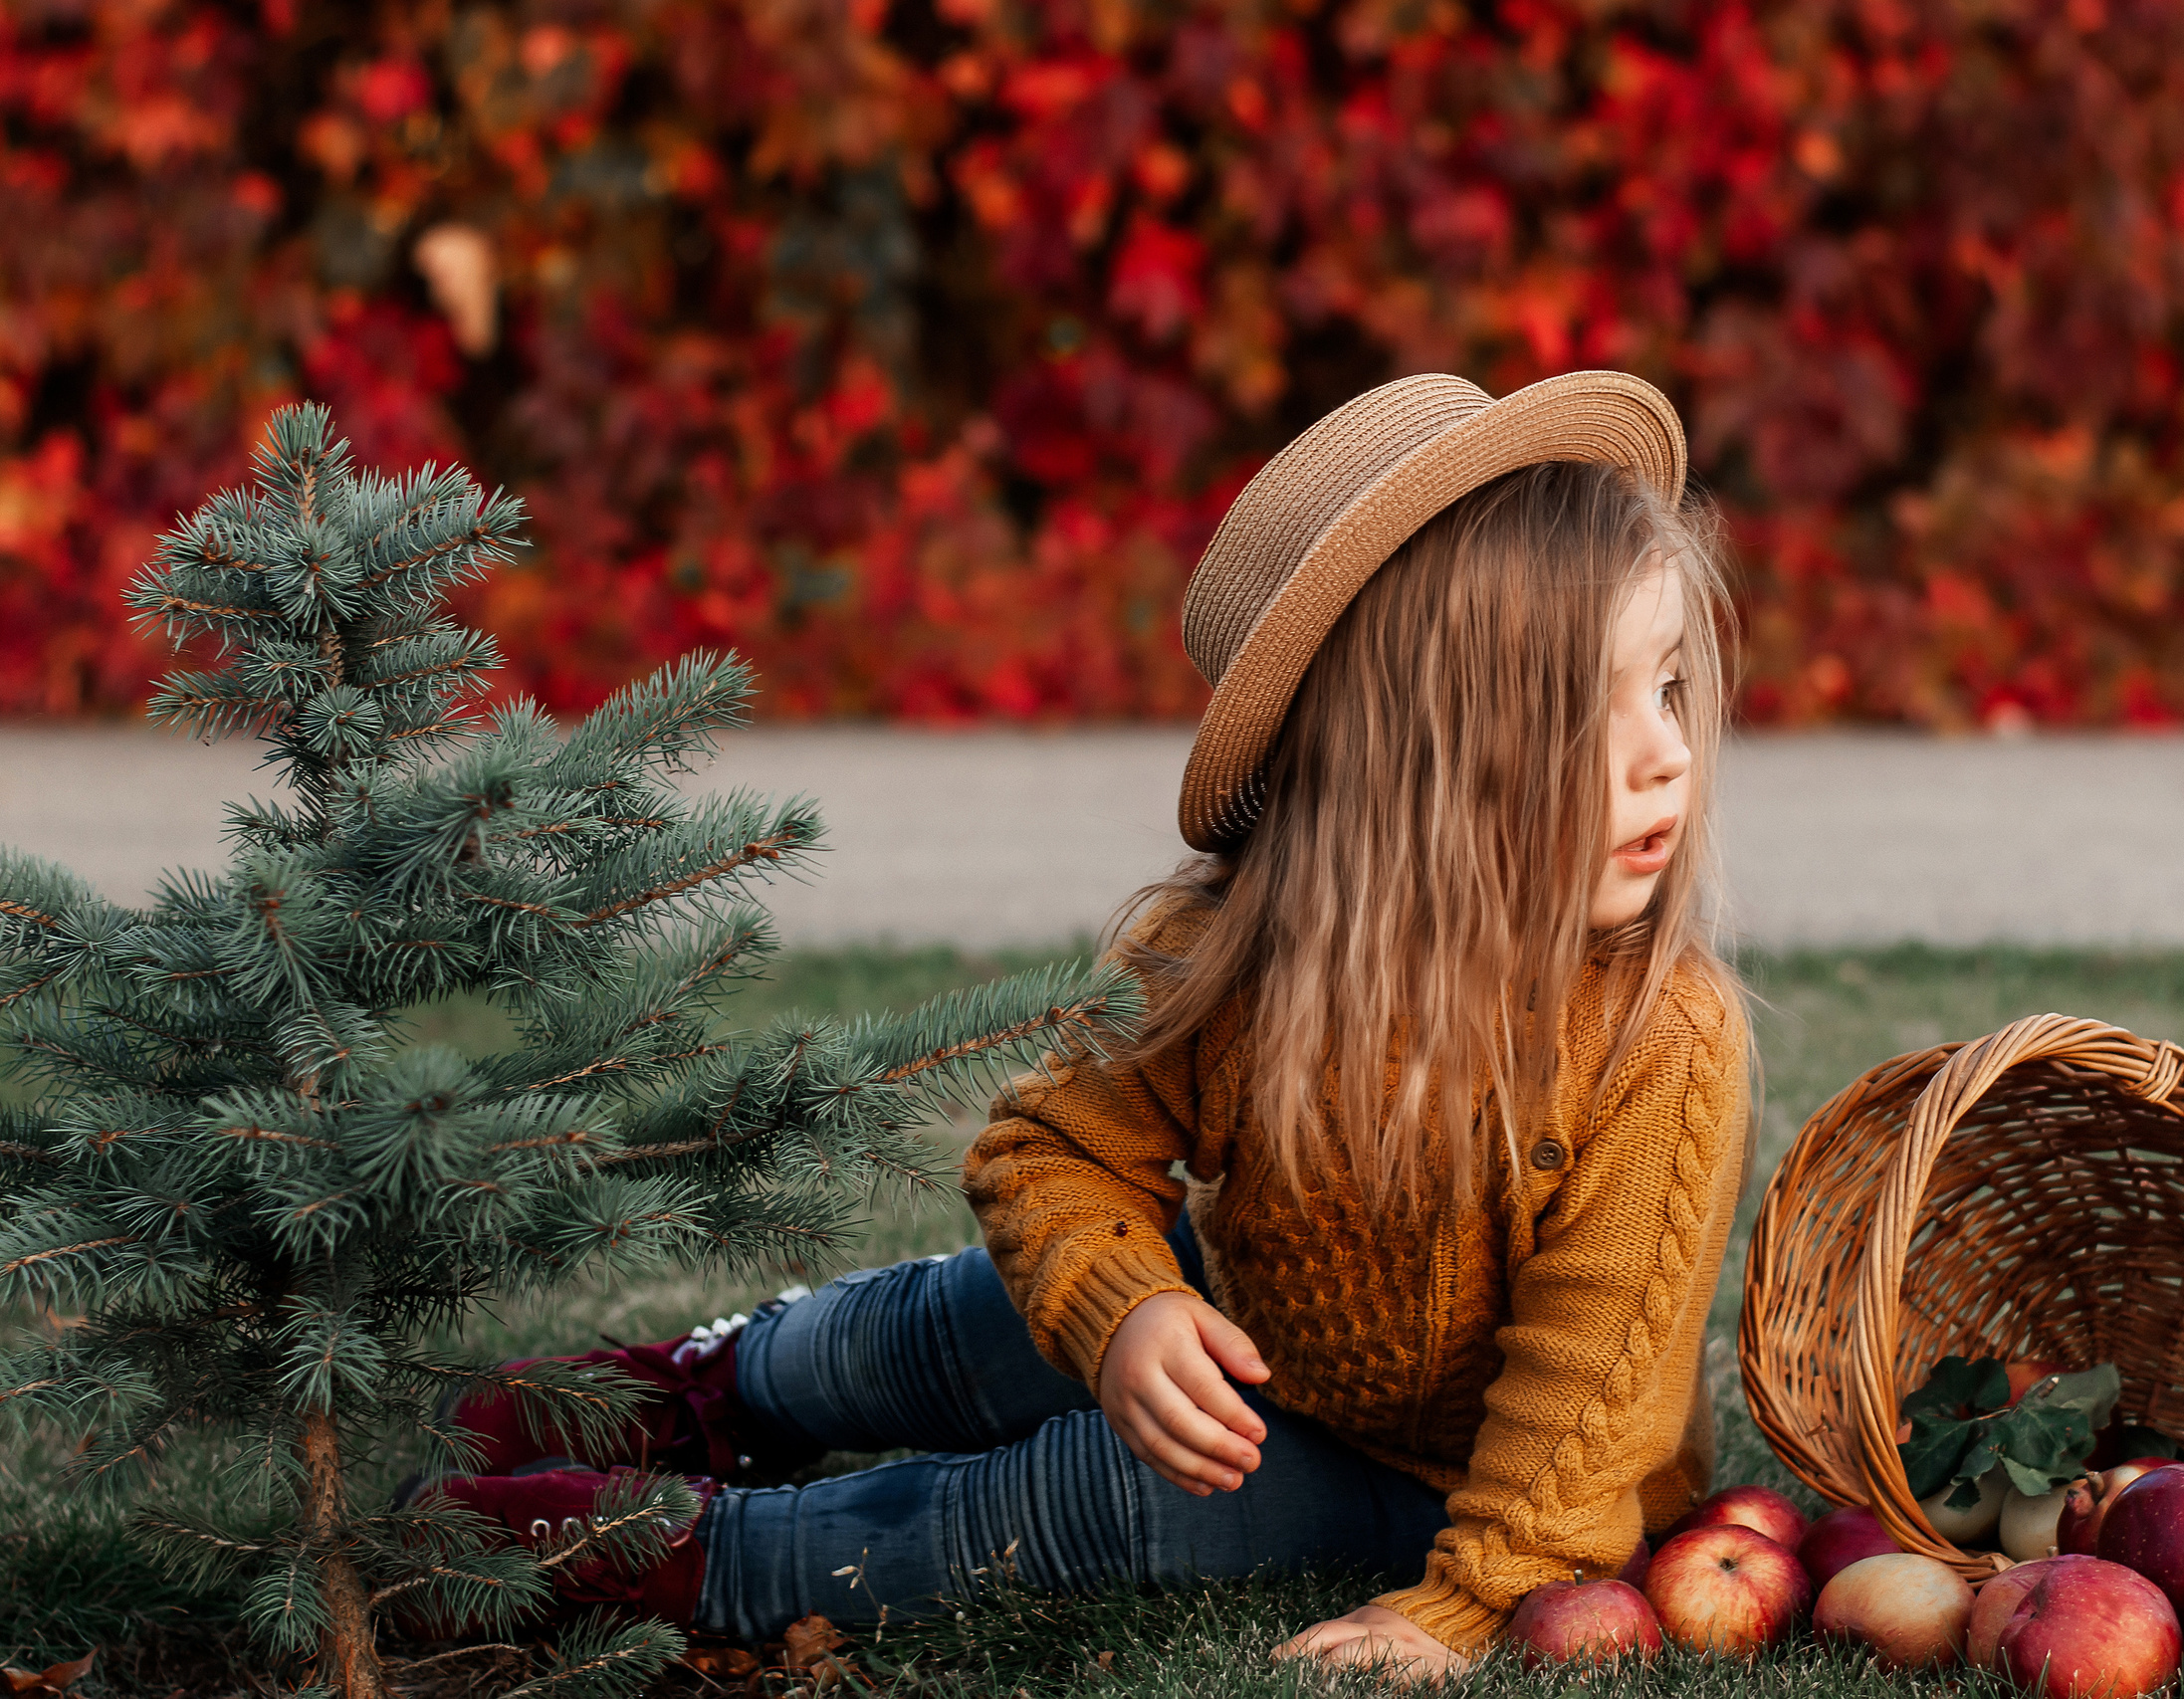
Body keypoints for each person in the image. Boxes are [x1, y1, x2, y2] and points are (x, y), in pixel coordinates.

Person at [422, 370, 1755, 1678]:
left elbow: (1593, 1403)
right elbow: (1049, 1152)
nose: (1666, 755)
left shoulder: (1660, 1042)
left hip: (1445, 1471)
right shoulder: (1237, 951)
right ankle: (710, 1390)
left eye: (1672, 690)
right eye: (1588, 705)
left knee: (1088, 1498)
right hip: (1257, 1321)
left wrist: (1461, 1609)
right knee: (947, 1322)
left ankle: (698, 1558)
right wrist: (1125, 1313)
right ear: (1411, 755)